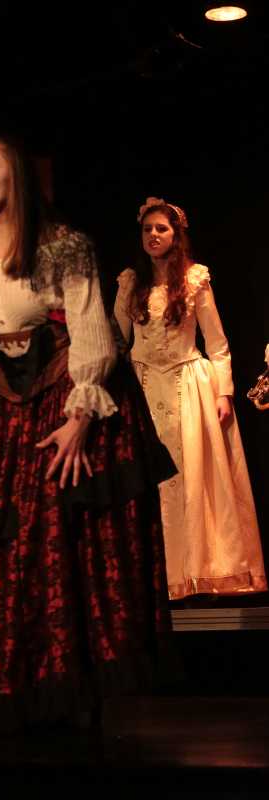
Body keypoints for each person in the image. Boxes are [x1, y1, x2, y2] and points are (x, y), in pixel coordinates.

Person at [0, 137, 177, 734]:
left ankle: (69, 690)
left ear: (15, 177)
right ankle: (15, 686)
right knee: (4, 553)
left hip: (69, 397)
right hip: (10, 411)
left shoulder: (63, 245)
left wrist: (79, 418)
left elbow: (91, 328)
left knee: (58, 545)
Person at [114, 197, 267, 600]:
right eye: (147, 229)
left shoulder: (195, 280)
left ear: (175, 235)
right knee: (149, 479)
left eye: (161, 229)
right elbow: (115, 341)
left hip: (188, 383)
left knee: (192, 475)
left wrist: (224, 392)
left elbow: (217, 344)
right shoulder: (130, 282)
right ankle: (152, 575)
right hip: (144, 387)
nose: (153, 235)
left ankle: (198, 571)